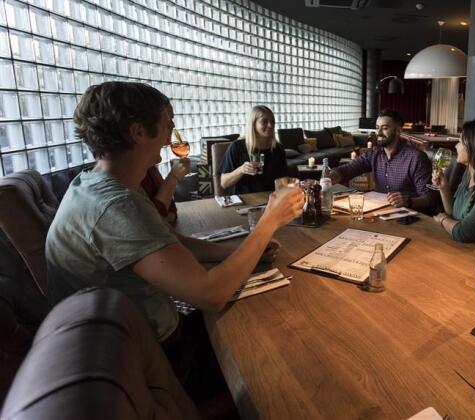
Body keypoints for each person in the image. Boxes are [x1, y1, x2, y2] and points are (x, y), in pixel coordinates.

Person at [45, 82, 303, 381]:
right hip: (147, 359)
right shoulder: (117, 206)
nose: (172, 134)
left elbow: (168, 241)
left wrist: (242, 250)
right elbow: (211, 294)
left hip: (125, 338)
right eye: (168, 123)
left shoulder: (94, 183)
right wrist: (268, 222)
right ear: (138, 132)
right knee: (280, 335)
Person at [330, 108, 434, 214]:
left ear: (398, 131)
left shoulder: (416, 158)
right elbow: (349, 169)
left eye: (385, 128)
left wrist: (408, 201)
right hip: (381, 213)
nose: (379, 133)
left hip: (411, 215)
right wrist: (330, 176)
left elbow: (430, 198)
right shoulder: (374, 153)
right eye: (377, 128)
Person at [218, 105, 287, 194]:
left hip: (270, 198)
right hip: (243, 199)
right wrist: (241, 170)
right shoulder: (237, 147)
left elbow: (284, 180)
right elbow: (224, 183)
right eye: (264, 121)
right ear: (253, 124)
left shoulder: (278, 148)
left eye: (272, 122)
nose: (270, 125)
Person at [140, 105, 190, 225]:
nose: (173, 125)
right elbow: (153, 222)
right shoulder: (135, 170)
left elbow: (171, 209)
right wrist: (173, 177)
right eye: (167, 119)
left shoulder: (150, 165)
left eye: (172, 119)